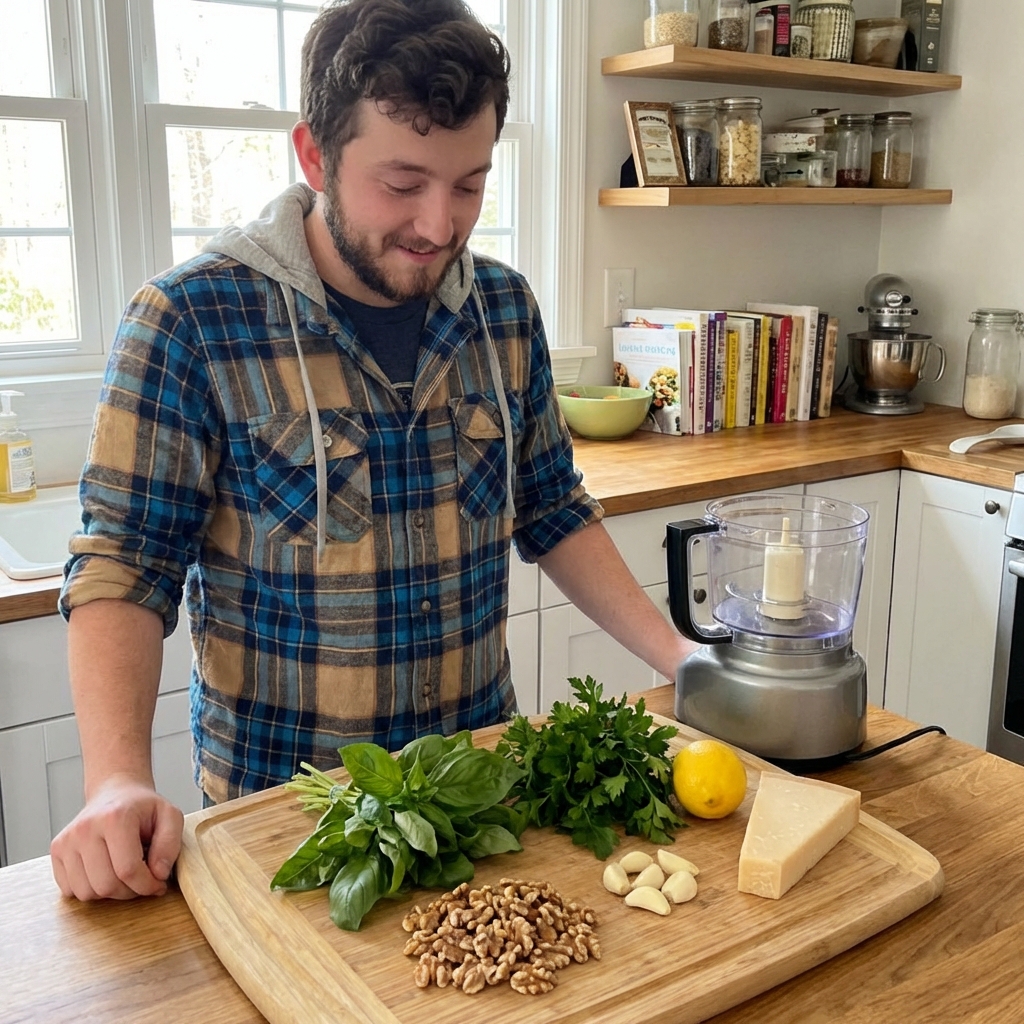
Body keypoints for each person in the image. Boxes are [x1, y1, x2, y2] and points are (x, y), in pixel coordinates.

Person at [50, 0, 696, 902]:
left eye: (470, 183)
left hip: (477, 795)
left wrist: (681, 658)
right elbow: (125, 563)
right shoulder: (193, 319)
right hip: (288, 823)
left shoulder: (502, 311)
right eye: (403, 183)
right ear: (314, 155)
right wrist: (114, 778)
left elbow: (551, 508)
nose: (440, 223)